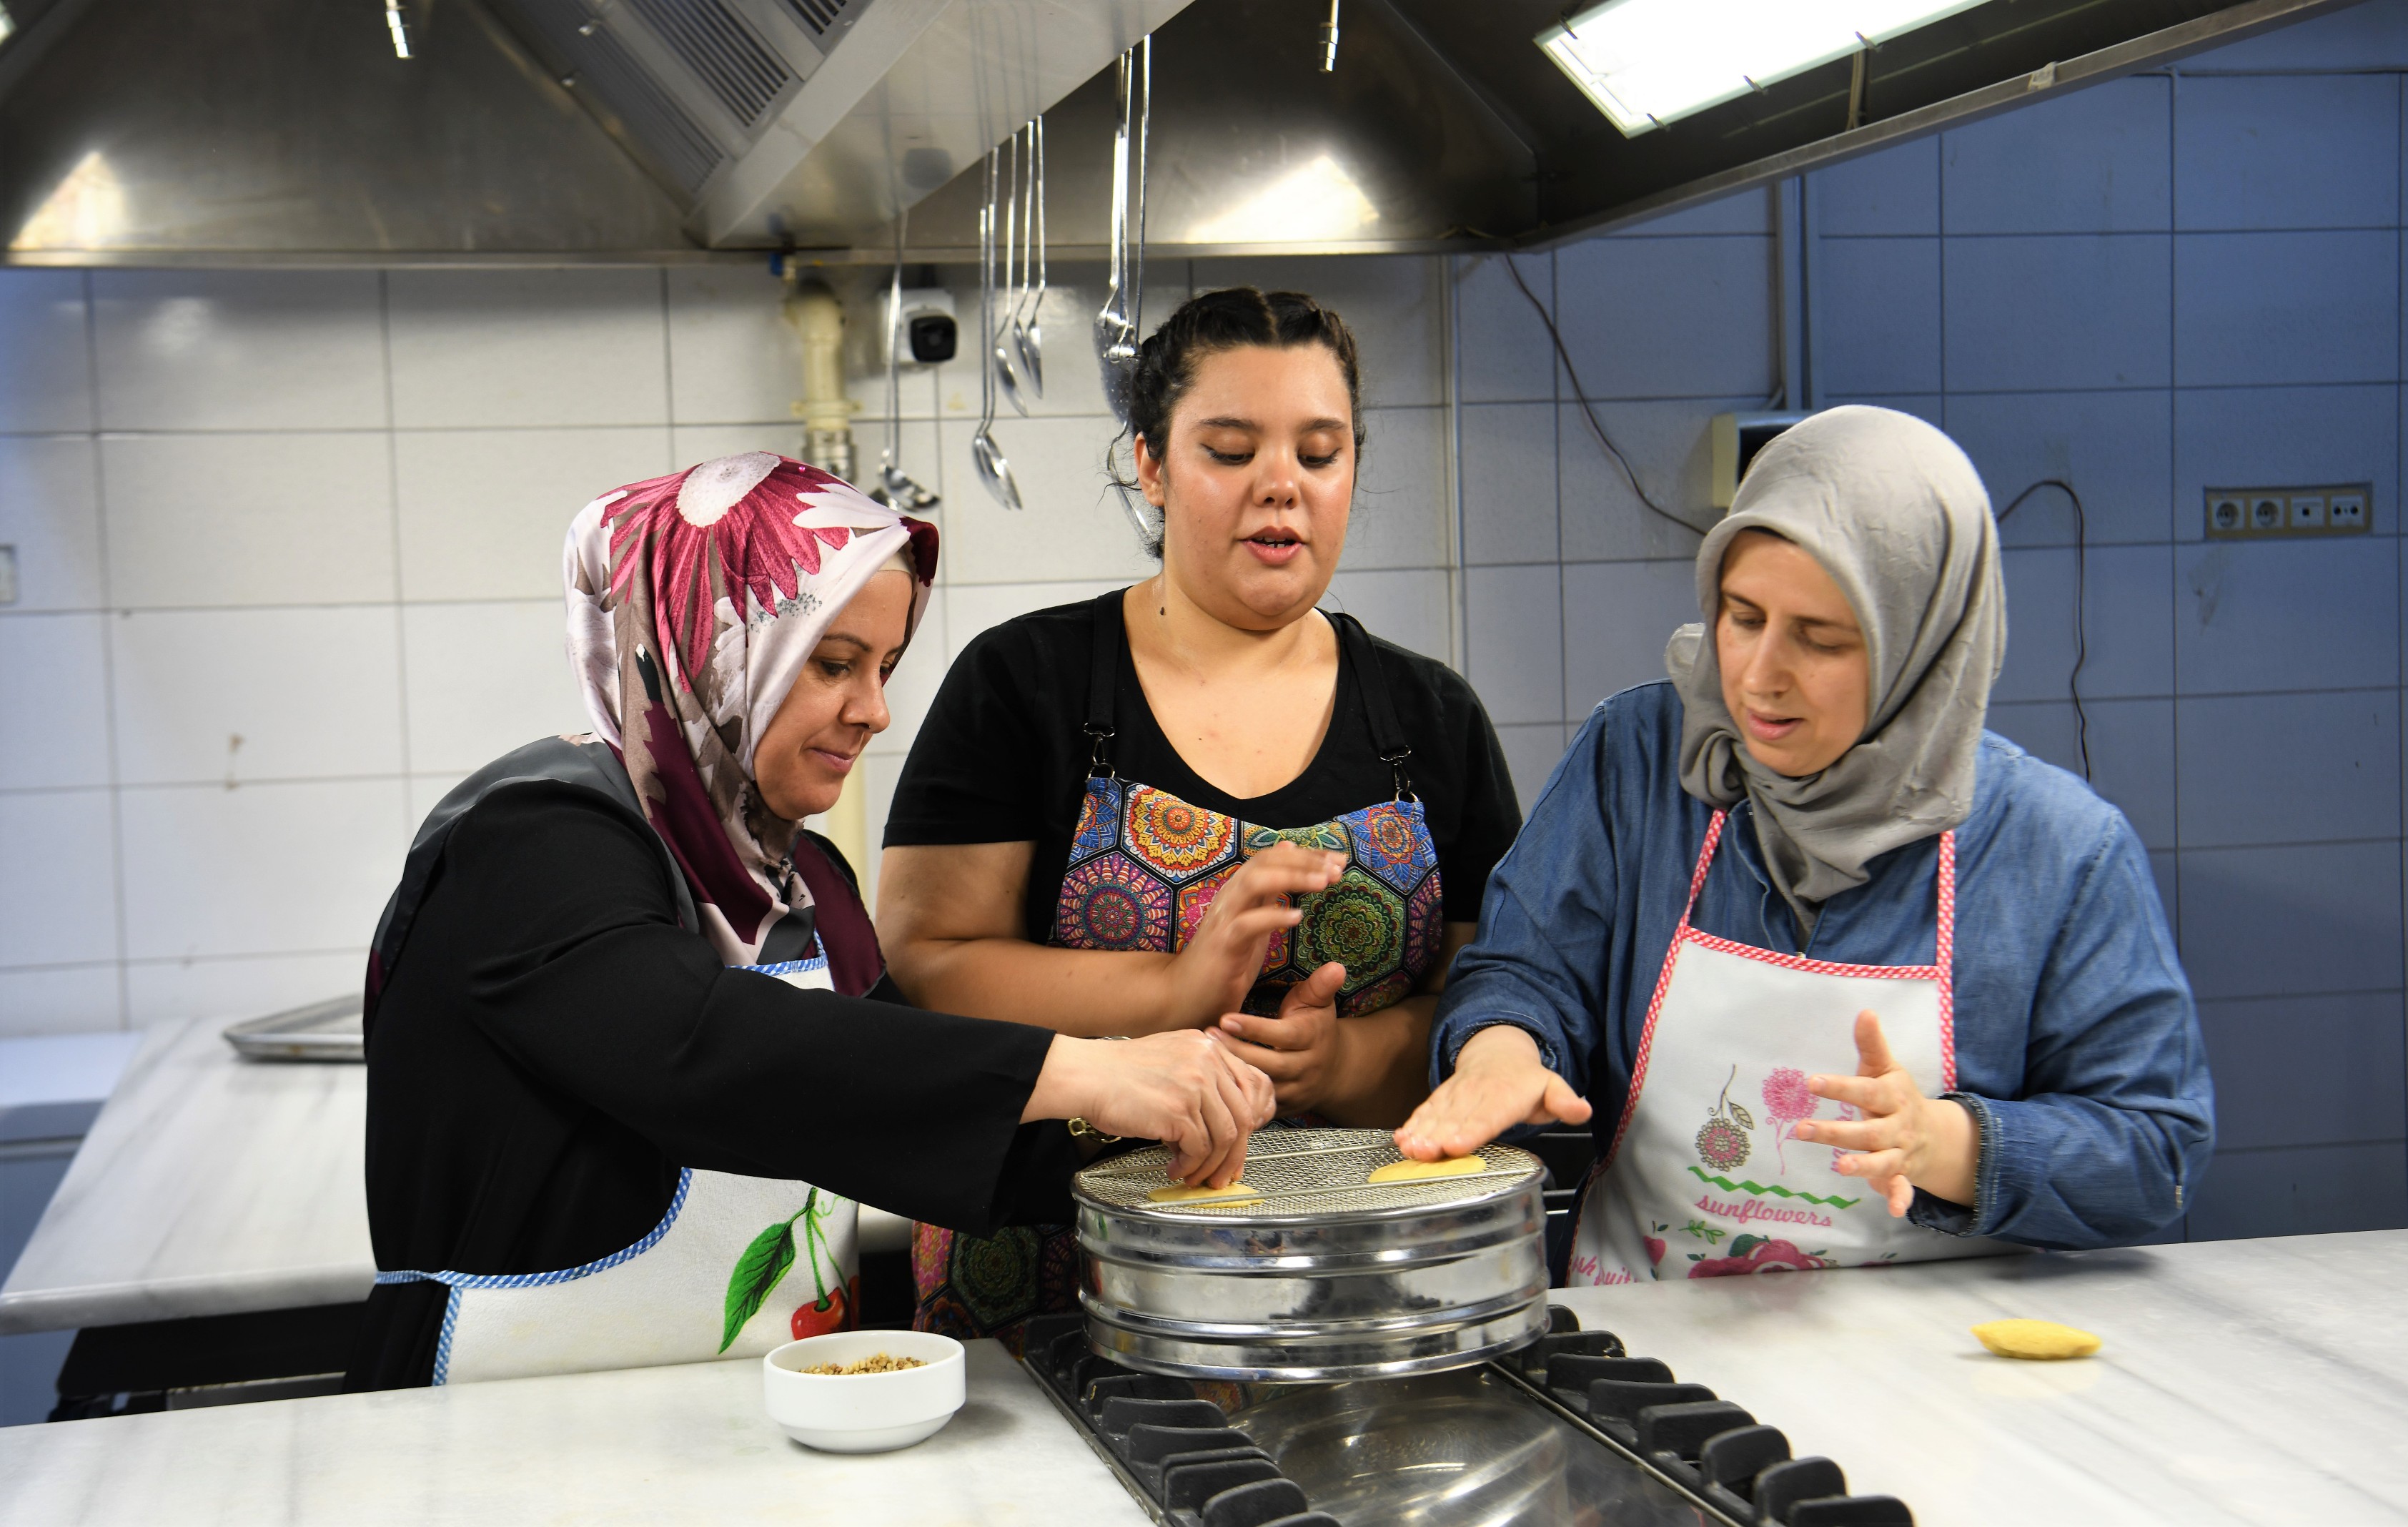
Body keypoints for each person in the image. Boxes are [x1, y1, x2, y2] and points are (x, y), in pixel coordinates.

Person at [347, 453, 1272, 1388]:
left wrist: (1168, 1123)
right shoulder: (536, 836)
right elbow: (696, 1048)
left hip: (757, 1419)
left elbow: (894, 1104)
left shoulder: (807, 881)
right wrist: (1078, 1067)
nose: (875, 711)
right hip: (498, 1422)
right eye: (834, 664)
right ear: (709, 642)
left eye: (885, 668)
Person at [1397, 406, 2214, 1285]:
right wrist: (1502, 1051)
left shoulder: (2060, 849)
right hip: (1648, 1334)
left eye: (1819, 638)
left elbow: (2155, 1152)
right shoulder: (1640, 757)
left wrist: (1946, 1144)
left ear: (1920, 648)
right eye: (1742, 617)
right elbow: (1526, 969)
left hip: (1938, 1356)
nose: (1759, 677)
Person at [878, 288, 1521, 1343]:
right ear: (1151, 464)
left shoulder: (1431, 716)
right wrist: (1170, 992)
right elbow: (927, 963)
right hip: (1051, 1277)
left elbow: (1493, 994)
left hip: (1354, 1295)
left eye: (1320, 454)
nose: (1281, 484)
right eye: (1229, 450)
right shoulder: (1025, 682)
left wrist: (1343, 1063)